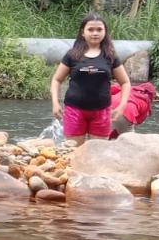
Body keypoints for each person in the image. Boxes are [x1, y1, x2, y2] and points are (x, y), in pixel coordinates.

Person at [50, 12, 131, 145]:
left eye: (99, 29)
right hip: (74, 110)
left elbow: (125, 82)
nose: (95, 33)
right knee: (74, 150)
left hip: (102, 111)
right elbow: (56, 80)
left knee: (98, 151)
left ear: (105, 32)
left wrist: (122, 106)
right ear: (83, 32)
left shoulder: (110, 56)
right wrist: (55, 102)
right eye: (91, 29)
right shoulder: (72, 55)